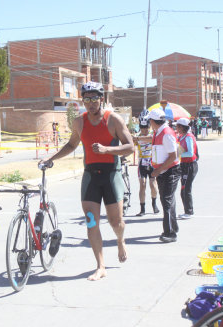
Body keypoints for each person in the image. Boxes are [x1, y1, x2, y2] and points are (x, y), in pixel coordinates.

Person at [41, 81, 134, 281]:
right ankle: (100, 266)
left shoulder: (113, 120)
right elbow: (71, 144)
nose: (91, 103)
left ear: (101, 99)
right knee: (92, 222)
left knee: (116, 222)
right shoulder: (79, 122)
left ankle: (120, 240)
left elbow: (130, 147)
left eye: (94, 99)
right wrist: (51, 159)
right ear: (83, 101)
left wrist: (107, 150)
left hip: (111, 174)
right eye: (87, 99)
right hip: (91, 175)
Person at [149, 109, 180, 243]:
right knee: (169, 200)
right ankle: (173, 227)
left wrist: (158, 170)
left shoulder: (166, 134)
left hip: (170, 171)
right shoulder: (159, 132)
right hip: (163, 171)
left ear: (152, 121)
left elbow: (174, 156)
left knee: (166, 201)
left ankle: (170, 233)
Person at [132, 111, 159, 216]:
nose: (144, 130)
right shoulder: (137, 137)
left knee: (152, 184)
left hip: (151, 162)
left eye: (146, 127)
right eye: (142, 127)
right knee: (142, 185)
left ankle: (154, 204)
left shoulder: (153, 135)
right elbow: (131, 146)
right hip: (142, 163)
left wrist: (138, 138)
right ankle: (142, 208)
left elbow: (151, 139)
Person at [176, 118, 198, 219]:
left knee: (186, 189)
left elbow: (190, 153)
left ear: (182, 127)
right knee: (183, 190)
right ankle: (187, 210)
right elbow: (180, 151)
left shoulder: (189, 137)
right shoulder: (181, 137)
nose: (176, 128)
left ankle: (189, 211)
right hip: (184, 165)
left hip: (190, 165)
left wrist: (178, 154)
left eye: (177, 126)